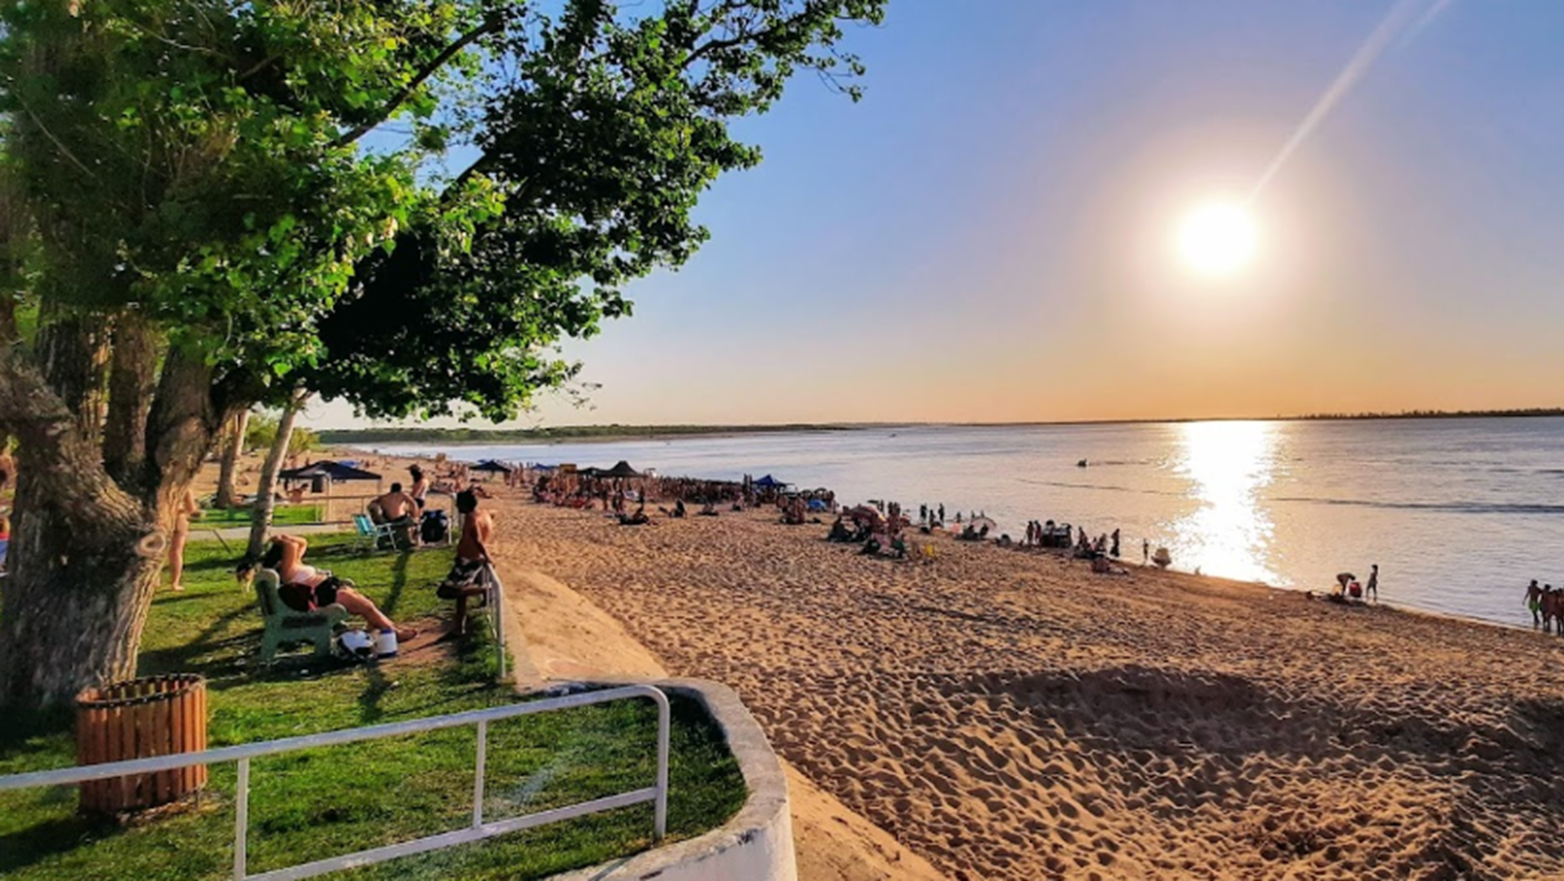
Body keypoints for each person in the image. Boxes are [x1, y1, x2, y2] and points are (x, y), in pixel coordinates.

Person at [250, 534, 415, 641]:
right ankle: (394, 634)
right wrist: (281, 541)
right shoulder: (287, 571)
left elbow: (302, 542)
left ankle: (387, 627)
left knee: (366, 604)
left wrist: (284, 537)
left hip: (329, 589)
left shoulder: (293, 565)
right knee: (367, 606)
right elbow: (292, 546)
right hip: (323, 595)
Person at [438, 490, 493, 633]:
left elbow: (477, 539)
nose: (457, 507)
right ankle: (459, 627)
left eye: (458, 504)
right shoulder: (484, 514)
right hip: (469, 559)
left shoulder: (471, 518)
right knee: (461, 597)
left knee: (446, 591)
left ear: (465, 504)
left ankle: (487, 589)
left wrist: (487, 556)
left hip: (469, 561)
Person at [168, 488, 199, 591]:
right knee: (176, 552)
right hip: (178, 520)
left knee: (156, 552)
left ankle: (155, 580)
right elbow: (191, 509)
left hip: (159, 519)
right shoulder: (183, 486)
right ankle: (175, 582)